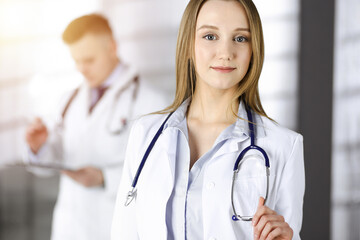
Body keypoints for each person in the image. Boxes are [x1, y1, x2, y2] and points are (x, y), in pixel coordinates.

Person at [111, 0, 305, 239]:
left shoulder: (284, 147)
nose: (226, 53)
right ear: (188, 45)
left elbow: (287, 233)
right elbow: (124, 232)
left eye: (240, 38)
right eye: (210, 36)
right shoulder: (146, 134)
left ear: (254, 50)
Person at [24, 14, 166, 240]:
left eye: (88, 60)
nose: (81, 68)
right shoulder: (68, 100)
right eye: (76, 60)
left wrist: (104, 178)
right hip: (68, 228)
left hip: (112, 226)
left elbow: (160, 174)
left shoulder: (151, 103)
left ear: (112, 47)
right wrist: (39, 147)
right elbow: (50, 163)